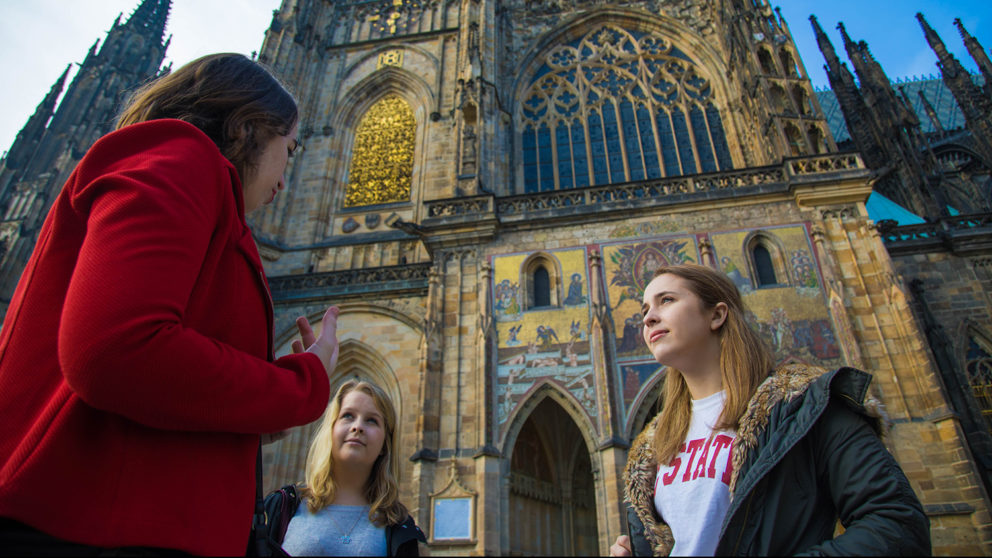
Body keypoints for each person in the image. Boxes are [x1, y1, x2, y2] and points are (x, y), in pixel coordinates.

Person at [0, 53, 340, 555]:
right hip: (87, 529)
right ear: (249, 129)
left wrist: (261, 418)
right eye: (290, 150)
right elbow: (115, 349)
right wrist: (301, 384)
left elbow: (153, 388)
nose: (287, 178)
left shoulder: (205, 199)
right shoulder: (179, 159)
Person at [610, 263, 930, 556]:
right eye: (645, 310)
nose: (648, 317)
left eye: (666, 300)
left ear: (717, 315)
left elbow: (897, 524)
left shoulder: (803, 406)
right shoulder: (652, 448)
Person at [281, 380, 426, 556]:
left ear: (384, 445)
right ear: (331, 429)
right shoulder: (284, 508)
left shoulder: (400, 527)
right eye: (348, 416)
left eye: (372, 420)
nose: (357, 427)